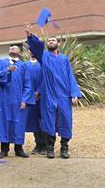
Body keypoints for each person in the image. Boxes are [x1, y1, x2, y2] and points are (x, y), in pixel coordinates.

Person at [25, 26, 82, 159]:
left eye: (53, 40)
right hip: (48, 94)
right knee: (48, 120)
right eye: (49, 40)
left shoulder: (64, 59)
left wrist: (74, 92)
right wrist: (30, 36)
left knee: (65, 119)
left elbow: (70, 75)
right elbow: (36, 46)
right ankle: (50, 147)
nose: (51, 41)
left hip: (63, 94)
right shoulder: (43, 56)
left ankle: (64, 147)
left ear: (58, 44)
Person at [0, 46, 34, 159]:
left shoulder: (24, 65)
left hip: (18, 100)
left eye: (15, 48)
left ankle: (18, 149)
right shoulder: (1, 62)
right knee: (3, 122)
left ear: (19, 52)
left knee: (18, 123)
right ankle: (4, 149)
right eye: (10, 48)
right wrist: (7, 70)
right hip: (4, 99)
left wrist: (25, 99)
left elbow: (28, 84)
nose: (12, 49)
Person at [24, 52, 45, 154]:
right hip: (29, 98)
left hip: (43, 97)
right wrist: (29, 94)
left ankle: (45, 145)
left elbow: (46, 79)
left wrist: (39, 91)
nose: (32, 52)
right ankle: (38, 144)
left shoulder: (42, 63)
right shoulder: (25, 65)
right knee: (34, 121)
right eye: (30, 50)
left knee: (44, 120)